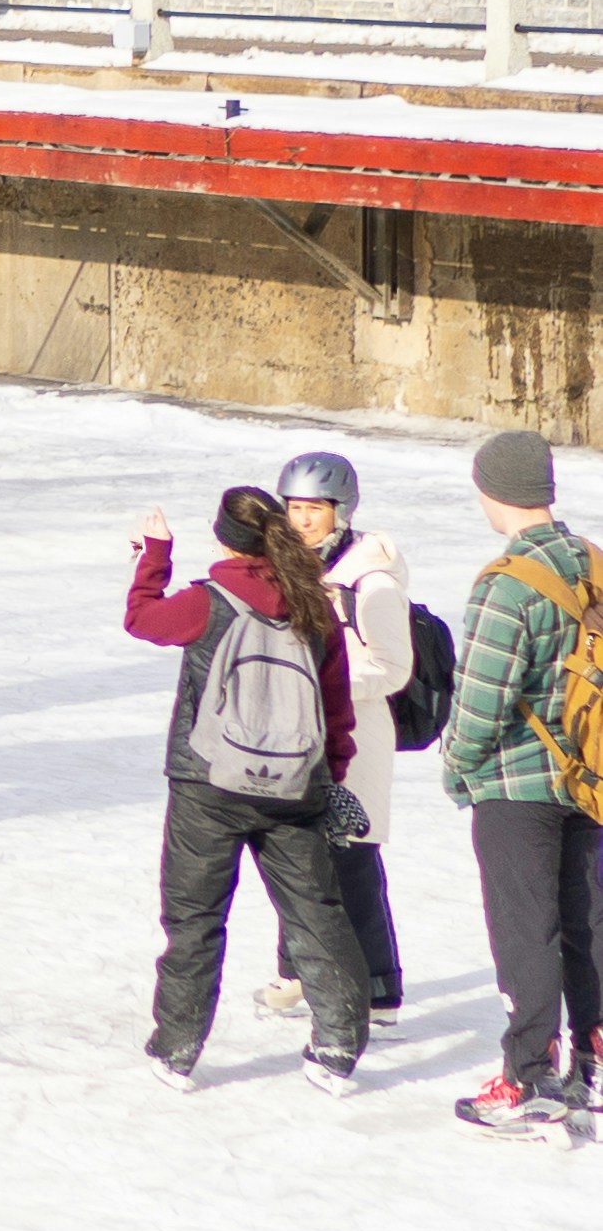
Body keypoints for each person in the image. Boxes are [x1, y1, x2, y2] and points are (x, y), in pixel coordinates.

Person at [123, 485, 370, 1089]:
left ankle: (177, 1048)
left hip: (208, 785)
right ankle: (338, 1047)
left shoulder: (207, 601)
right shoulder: (313, 602)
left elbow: (140, 619)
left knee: (194, 916)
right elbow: (336, 703)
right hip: (295, 786)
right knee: (316, 913)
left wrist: (153, 555)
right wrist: (330, 773)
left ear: (224, 540)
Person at [435, 431, 602, 1139]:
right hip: (592, 777)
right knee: (589, 923)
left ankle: (531, 1076)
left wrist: (455, 768)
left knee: (525, 930)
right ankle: (593, 1062)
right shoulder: (592, 562)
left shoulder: (509, 583)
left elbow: (480, 701)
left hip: (517, 785)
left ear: (489, 490)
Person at [254, 451, 410, 1032]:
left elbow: (394, 667)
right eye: (293, 508)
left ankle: (380, 987)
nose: (302, 520)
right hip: (300, 731)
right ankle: (295, 971)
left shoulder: (369, 582)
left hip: (357, 734)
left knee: (352, 859)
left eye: (314, 509)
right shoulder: (292, 565)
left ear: (340, 511)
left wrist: (321, 677)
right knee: (294, 848)